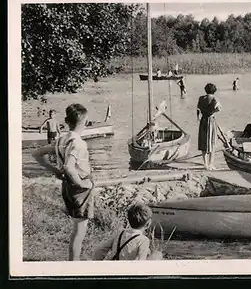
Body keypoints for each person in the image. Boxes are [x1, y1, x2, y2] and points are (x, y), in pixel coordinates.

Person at [32, 103, 95, 261]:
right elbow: (69, 166)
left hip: (66, 185)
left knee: (77, 228)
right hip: (79, 189)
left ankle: (74, 260)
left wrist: (55, 171)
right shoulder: (79, 143)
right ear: (85, 122)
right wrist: (82, 183)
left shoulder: (62, 138)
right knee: (80, 231)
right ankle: (74, 265)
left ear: (68, 121)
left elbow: (37, 153)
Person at [93, 203, 163, 260]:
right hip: (130, 271)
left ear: (129, 220)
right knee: (158, 255)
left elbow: (99, 249)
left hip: (116, 267)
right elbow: (141, 262)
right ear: (148, 223)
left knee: (148, 251)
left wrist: (98, 265)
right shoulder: (143, 240)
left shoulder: (119, 233)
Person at [197, 83, 222, 170]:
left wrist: (199, 117)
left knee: (203, 142)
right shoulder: (214, 99)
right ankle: (211, 163)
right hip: (211, 120)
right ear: (214, 90)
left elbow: (198, 109)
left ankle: (205, 163)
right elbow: (219, 108)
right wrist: (213, 112)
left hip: (203, 120)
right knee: (212, 141)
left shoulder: (201, 98)